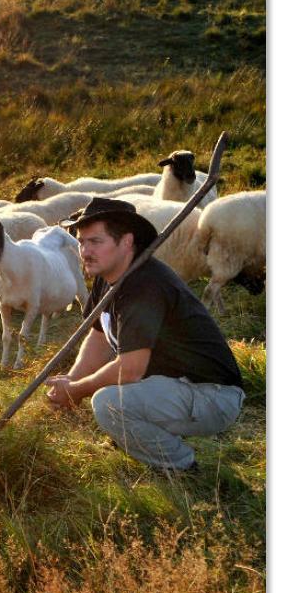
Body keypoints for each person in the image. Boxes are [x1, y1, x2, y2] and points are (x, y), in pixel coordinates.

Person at [46, 197, 245, 472]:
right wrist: (72, 379)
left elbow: (129, 370)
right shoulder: (107, 277)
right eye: (82, 242)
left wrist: (77, 391)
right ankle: (139, 435)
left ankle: (181, 467)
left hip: (212, 394)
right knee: (104, 387)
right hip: (171, 383)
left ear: (126, 242)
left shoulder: (145, 285)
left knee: (107, 402)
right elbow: (99, 336)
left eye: (95, 241)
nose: (85, 251)